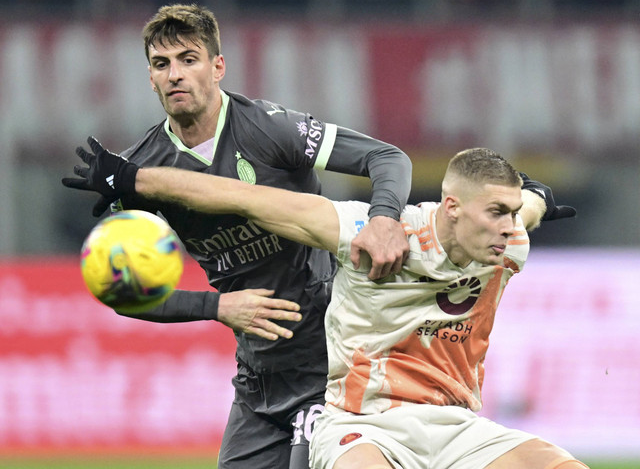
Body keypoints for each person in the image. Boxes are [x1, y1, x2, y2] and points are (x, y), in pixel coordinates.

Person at [64, 143, 584, 469]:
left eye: (512, 213)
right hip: (365, 425)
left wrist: (531, 200)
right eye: (496, 212)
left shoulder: (509, 241)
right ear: (452, 208)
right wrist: (134, 181)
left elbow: (531, 206)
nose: (509, 225)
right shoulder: (372, 234)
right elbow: (244, 199)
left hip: (455, 425)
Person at [63, 3, 413, 469]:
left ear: (218, 66)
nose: (175, 75)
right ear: (150, 77)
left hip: (331, 363)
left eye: (189, 59)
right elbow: (120, 291)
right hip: (258, 380)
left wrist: (384, 217)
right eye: (161, 64)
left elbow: (388, 158)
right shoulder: (140, 171)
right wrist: (217, 307)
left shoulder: (269, 128)